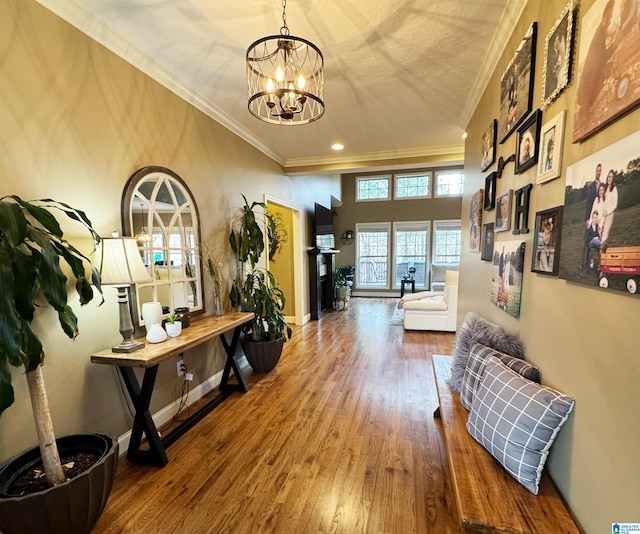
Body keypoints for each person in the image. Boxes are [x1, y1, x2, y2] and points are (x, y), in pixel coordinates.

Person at [601, 169, 618, 244]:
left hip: (609, 214)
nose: (609, 178)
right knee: (600, 232)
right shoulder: (604, 188)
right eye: (608, 177)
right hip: (602, 214)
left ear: (613, 178)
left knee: (605, 233)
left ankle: (601, 253)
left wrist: (607, 211)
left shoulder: (614, 189)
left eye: (611, 177)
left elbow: (615, 204)